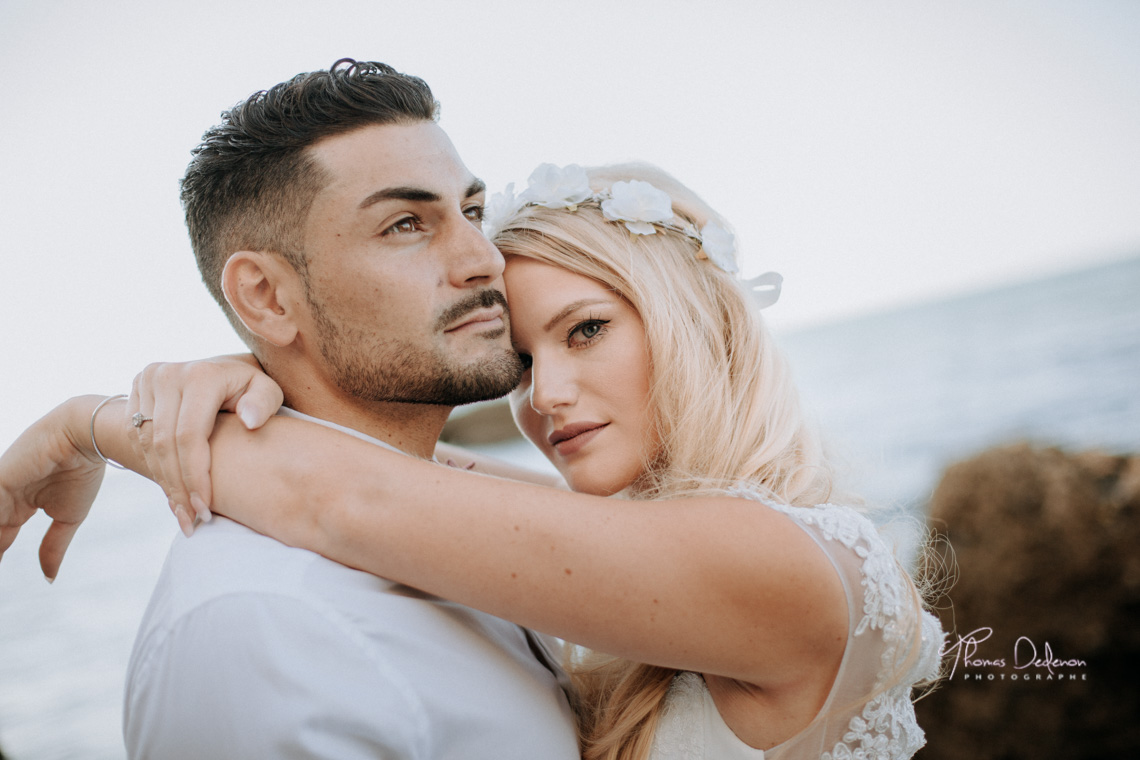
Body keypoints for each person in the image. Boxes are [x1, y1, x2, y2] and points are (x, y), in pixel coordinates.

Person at [2, 157, 944, 757]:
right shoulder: (650, 540)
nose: (546, 397)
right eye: (523, 363)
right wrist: (263, 364)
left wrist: (80, 425)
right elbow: (414, 481)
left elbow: (353, 502)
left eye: (588, 330)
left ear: (700, 324)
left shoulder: (778, 565)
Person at [0, 59, 581, 759]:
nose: (483, 258)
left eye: (472, 212)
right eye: (405, 224)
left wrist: (90, 424)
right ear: (267, 299)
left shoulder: (481, 523)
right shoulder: (264, 629)